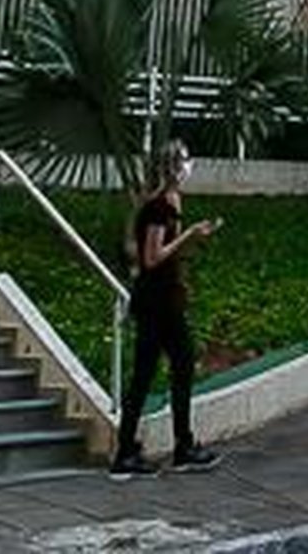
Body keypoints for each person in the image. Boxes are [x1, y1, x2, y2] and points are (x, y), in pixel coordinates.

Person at [109, 140, 223, 478]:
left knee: (174, 366)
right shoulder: (160, 206)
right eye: (184, 161)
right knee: (159, 369)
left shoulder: (171, 202)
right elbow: (152, 257)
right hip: (156, 301)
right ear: (173, 167)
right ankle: (148, 449)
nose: (189, 167)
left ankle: (168, 446)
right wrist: (188, 235)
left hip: (164, 297)